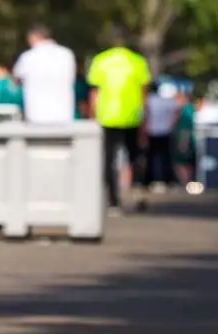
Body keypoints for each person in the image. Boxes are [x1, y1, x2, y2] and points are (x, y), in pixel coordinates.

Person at [87, 27, 152, 212]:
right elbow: (144, 92)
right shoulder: (137, 61)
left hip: (107, 115)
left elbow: (94, 92)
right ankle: (138, 192)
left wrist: (92, 115)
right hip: (132, 115)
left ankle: (113, 201)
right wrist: (145, 116)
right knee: (135, 156)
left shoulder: (101, 60)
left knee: (109, 159)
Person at [13, 24, 77, 124]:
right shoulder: (67, 54)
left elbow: (16, 79)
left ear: (33, 37)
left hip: (36, 116)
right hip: (64, 116)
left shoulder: (28, 57)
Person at [143, 81, 180, 191]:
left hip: (152, 132)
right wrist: (171, 125)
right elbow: (177, 112)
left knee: (152, 157)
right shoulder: (167, 101)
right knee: (165, 157)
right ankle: (166, 180)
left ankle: (151, 180)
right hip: (165, 132)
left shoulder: (149, 100)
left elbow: (145, 115)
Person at [172, 87, 200, 191]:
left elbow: (185, 129)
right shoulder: (190, 108)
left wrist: (183, 143)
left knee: (181, 162)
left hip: (184, 139)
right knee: (187, 163)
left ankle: (185, 183)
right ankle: (187, 183)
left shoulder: (184, 110)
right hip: (187, 139)